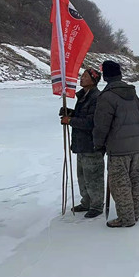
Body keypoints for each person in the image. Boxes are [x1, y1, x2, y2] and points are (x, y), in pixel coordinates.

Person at [93, 60, 139, 228]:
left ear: (105, 76)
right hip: (136, 144)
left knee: (120, 183)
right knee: (134, 180)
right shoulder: (133, 94)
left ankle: (126, 218)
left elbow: (101, 125)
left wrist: (99, 144)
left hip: (118, 147)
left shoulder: (107, 96)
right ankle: (135, 212)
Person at [60, 68, 105, 218]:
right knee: (82, 176)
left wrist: (71, 120)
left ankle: (97, 205)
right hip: (81, 144)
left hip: (92, 145)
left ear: (93, 80)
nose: (82, 78)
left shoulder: (97, 97)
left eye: (85, 76)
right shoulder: (84, 96)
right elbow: (82, 115)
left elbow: (91, 122)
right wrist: (70, 113)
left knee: (93, 177)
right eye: (82, 75)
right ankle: (86, 202)